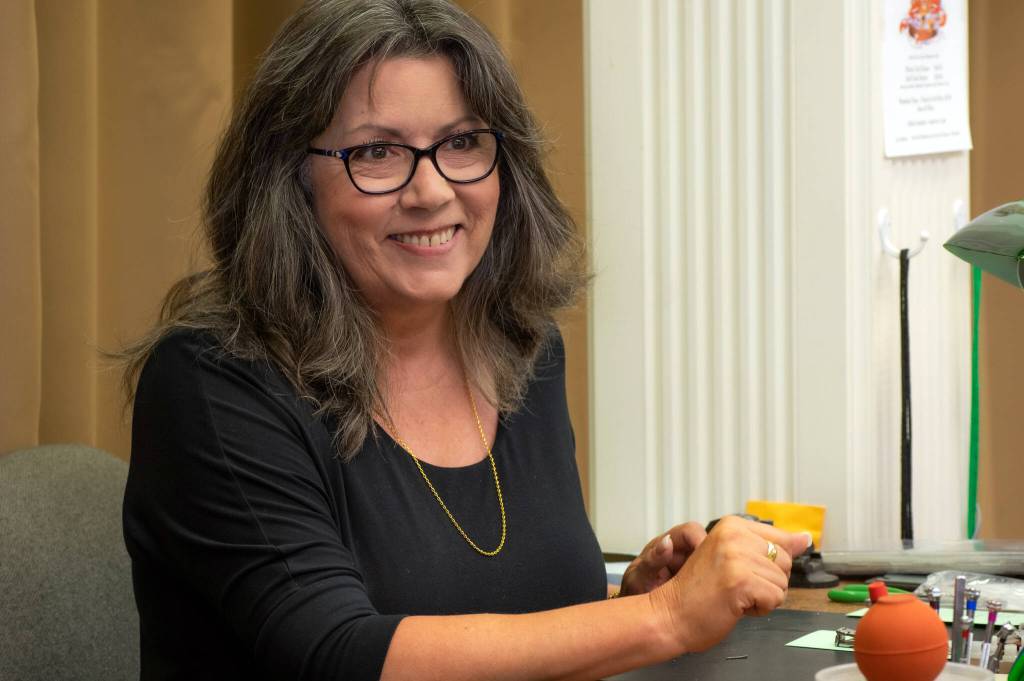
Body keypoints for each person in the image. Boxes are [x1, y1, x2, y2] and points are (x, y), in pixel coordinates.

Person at [120, 1, 809, 679]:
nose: (432, 189)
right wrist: (662, 619)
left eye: (462, 143)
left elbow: (498, 621)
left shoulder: (521, 350)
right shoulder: (210, 384)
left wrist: (631, 601)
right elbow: (339, 655)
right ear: (290, 179)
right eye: (378, 152)